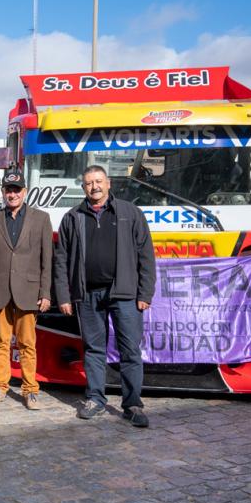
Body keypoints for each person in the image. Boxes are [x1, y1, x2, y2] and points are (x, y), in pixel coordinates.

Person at [54, 165, 156, 427]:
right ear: (83, 187)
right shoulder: (72, 217)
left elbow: (146, 255)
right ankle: (96, 399)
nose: (94, 187)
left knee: (130, 350)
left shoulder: (130, 213)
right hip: (87, 294)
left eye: (98, 181)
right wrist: (64, 296)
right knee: (93, 349)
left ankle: (132, 404)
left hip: (125, 293)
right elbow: (61, 260)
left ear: (109, 183)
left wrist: (145, 292)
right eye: (88, 183)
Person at [0, 171, 53, 410]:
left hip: (28, 292)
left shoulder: (41, 219)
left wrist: (45, 293)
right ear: (2, 192)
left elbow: (46, 260)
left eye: (16, 189)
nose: (12, 194)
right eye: (8, 189)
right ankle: (0, 387)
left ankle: (30, 390)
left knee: (27, 343)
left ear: (24, 191)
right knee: (0, 342)